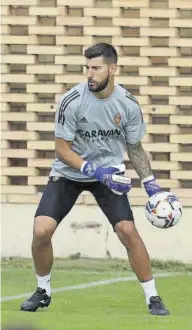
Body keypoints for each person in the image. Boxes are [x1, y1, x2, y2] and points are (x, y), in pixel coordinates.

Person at [20, 43, 169, 315]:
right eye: (87, 68)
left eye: (96, 68)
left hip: (109, 174)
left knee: (127, 231)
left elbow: (134, 148)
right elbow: (61, 149)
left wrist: (151, 186)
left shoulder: (128, 104)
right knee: (41, 230)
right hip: (69, 173)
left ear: (112, 69)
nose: (90, 74)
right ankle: (42, 291)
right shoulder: (72, 101)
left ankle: (153, 296)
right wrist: (94, 171)